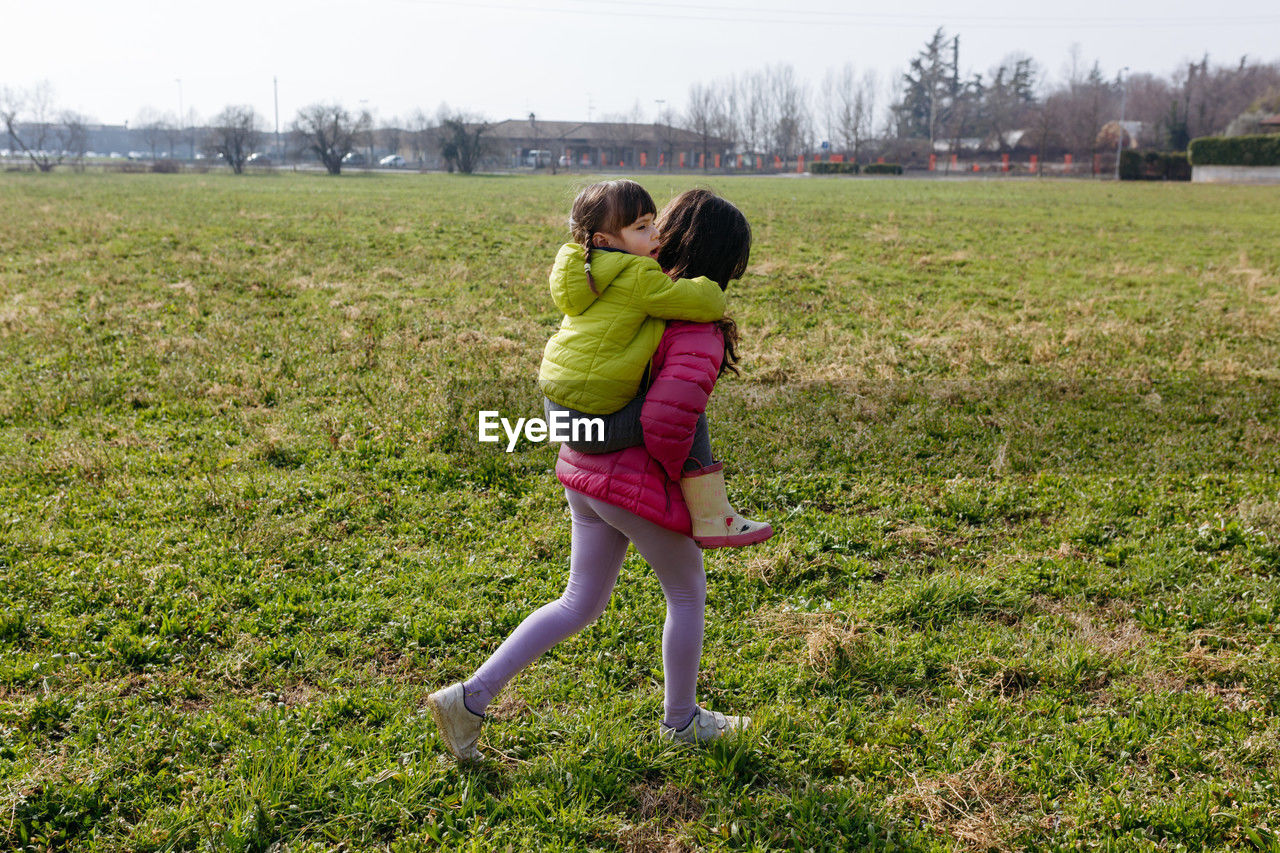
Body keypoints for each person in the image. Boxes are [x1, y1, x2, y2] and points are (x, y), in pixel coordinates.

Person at [427, 188, 763, 761]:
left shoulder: (618, 288)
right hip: (627, 480)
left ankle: (469, 698)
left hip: (581, 469)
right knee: (686, 591)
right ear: (724, 263)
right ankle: (681, 722)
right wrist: (688, 481)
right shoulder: (689, 320)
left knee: (580, 601)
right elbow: (667, 419)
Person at [539, 179, 771, 547]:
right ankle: (713, 515)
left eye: (655, 223)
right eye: (644, 227)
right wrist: (711, 289)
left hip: (557, 414)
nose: (656, 234)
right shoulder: (643, 280)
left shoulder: (588, 271)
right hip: (598, 430)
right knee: (690, 413)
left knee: (579, 599)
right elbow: (666, 419)